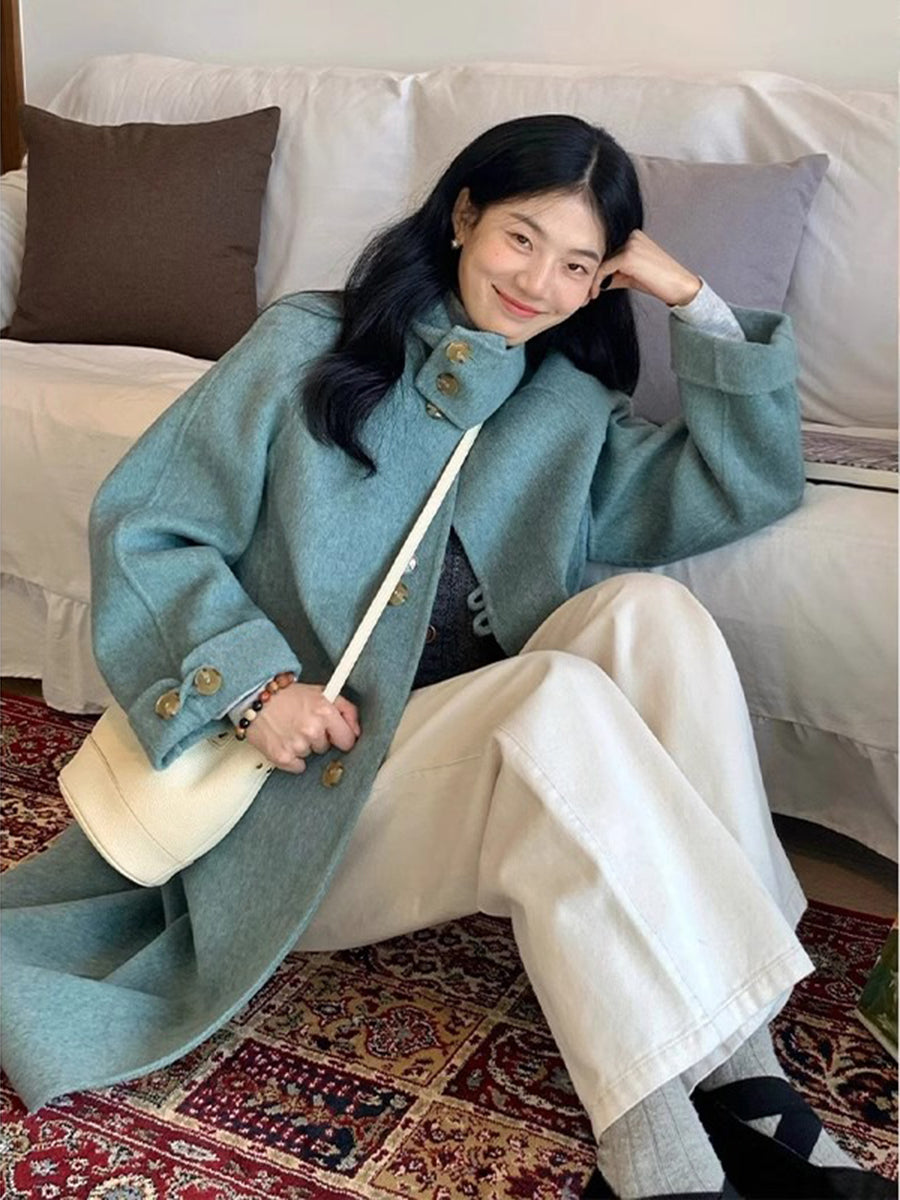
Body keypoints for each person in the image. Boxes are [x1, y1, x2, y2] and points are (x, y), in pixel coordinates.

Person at [1, 114, 891, 1200]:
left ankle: (743, 1076)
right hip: (297, 803)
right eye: (522, 238)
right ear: (464, 216)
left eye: (577, 265)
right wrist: (254, 688)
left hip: (448, 783)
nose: (539, 283)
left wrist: (694, 301)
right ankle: (656, 1151)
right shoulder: (305, 345)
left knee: (650, 615)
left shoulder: (562, 407)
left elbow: (742, 485)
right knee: (554, 696)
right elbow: (146, 523)